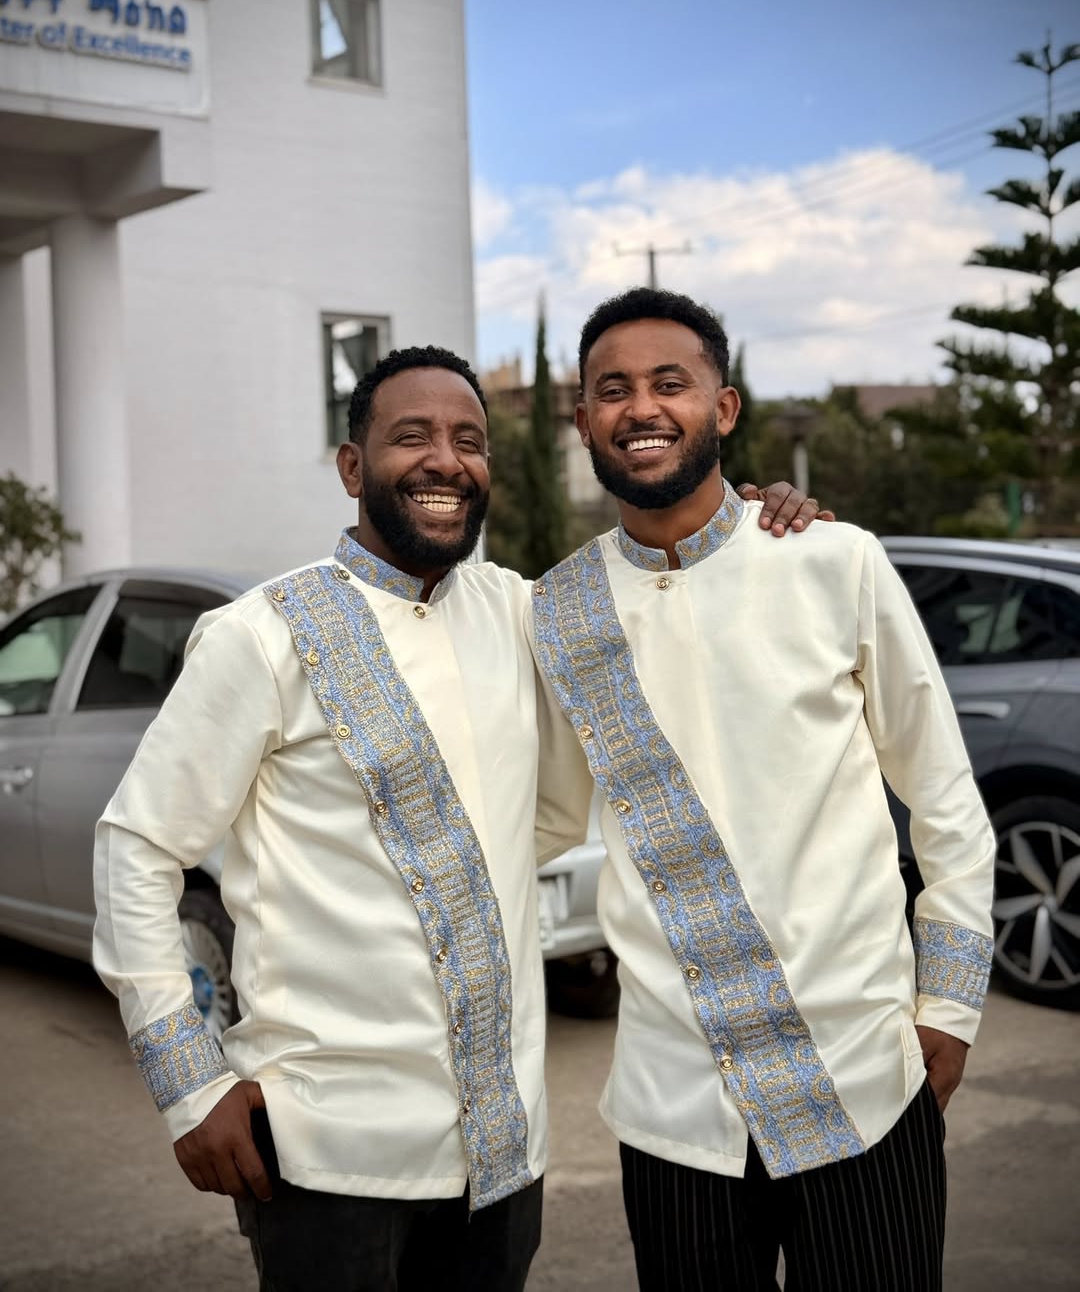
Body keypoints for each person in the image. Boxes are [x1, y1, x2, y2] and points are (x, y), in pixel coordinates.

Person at [92, 344, 823, 1292]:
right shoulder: (261, 635)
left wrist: (758, 525)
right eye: (413, 438)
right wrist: (189, 1082)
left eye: (469, 441)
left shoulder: (522, 610)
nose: (447, 460)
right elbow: (137, 849)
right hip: (326, 1152)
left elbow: (667, 595)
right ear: (353, 469)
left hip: (502, 1155)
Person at [531, 287, 996, 1292]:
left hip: (861, 1079)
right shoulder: (556, 612)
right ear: (582, 423)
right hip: (673, 1114)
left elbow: (948, 803)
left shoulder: (836, 563)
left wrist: (948, 1010)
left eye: (670, 383)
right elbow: (543, 817)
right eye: (611, 390)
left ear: (725, 410)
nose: (640, 407)